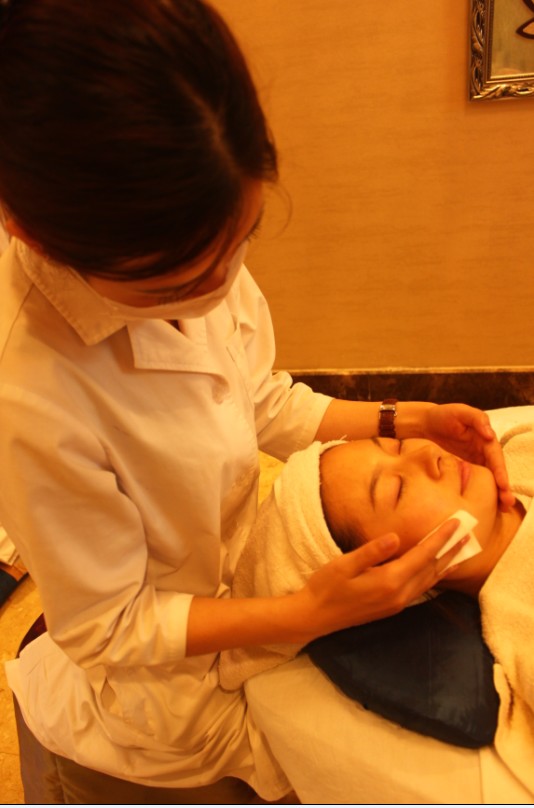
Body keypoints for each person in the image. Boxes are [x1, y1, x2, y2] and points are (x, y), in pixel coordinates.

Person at [0, 0, 513, 803]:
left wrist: (404, 417)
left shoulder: (195, 217)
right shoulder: (31, 394)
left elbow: (260, 399)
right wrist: (303, 611)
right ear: (30, 233)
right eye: (173, 284)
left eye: (239, 243)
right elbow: (110, 625)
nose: (218, 291)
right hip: (154, 704)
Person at [220, 408, 534, 798]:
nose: (428, 456)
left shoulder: (520, 447)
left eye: (397, 445)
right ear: (395, 576)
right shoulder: (522, 622)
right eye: (396, 490)